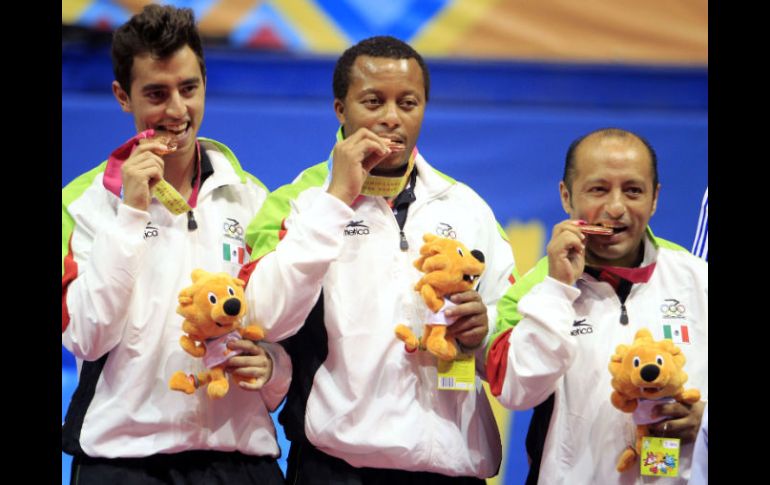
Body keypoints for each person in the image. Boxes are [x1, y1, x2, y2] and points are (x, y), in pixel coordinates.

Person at [238, 35, 516, 484]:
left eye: (408, 103)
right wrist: (337, 200)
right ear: (340, 110)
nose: (392, 118)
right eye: (373, 102)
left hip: (450, 469)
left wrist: (482, 333)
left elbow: (511, 354)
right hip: (337, 470)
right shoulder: (298, 202)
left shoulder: (467, 208)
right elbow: (263, 317)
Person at [61, 5, 290, 484]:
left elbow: (281, 332)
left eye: (189, 89)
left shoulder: (254, 201)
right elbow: (86, 335)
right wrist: (131, 215)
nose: (177, 110)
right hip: (123, 464)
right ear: (123, 97)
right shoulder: (81, 206)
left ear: (204, 81)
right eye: (156, 94)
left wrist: (273, 366)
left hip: (239, 462)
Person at [486, 128, 707, 484]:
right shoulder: (539, 289)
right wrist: (559, 288)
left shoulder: (697, 281)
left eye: (633, 190)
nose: (616, 208)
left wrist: (705, 422)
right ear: (566, 195)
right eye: (598, 189)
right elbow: (516, 391)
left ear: (655, 199)